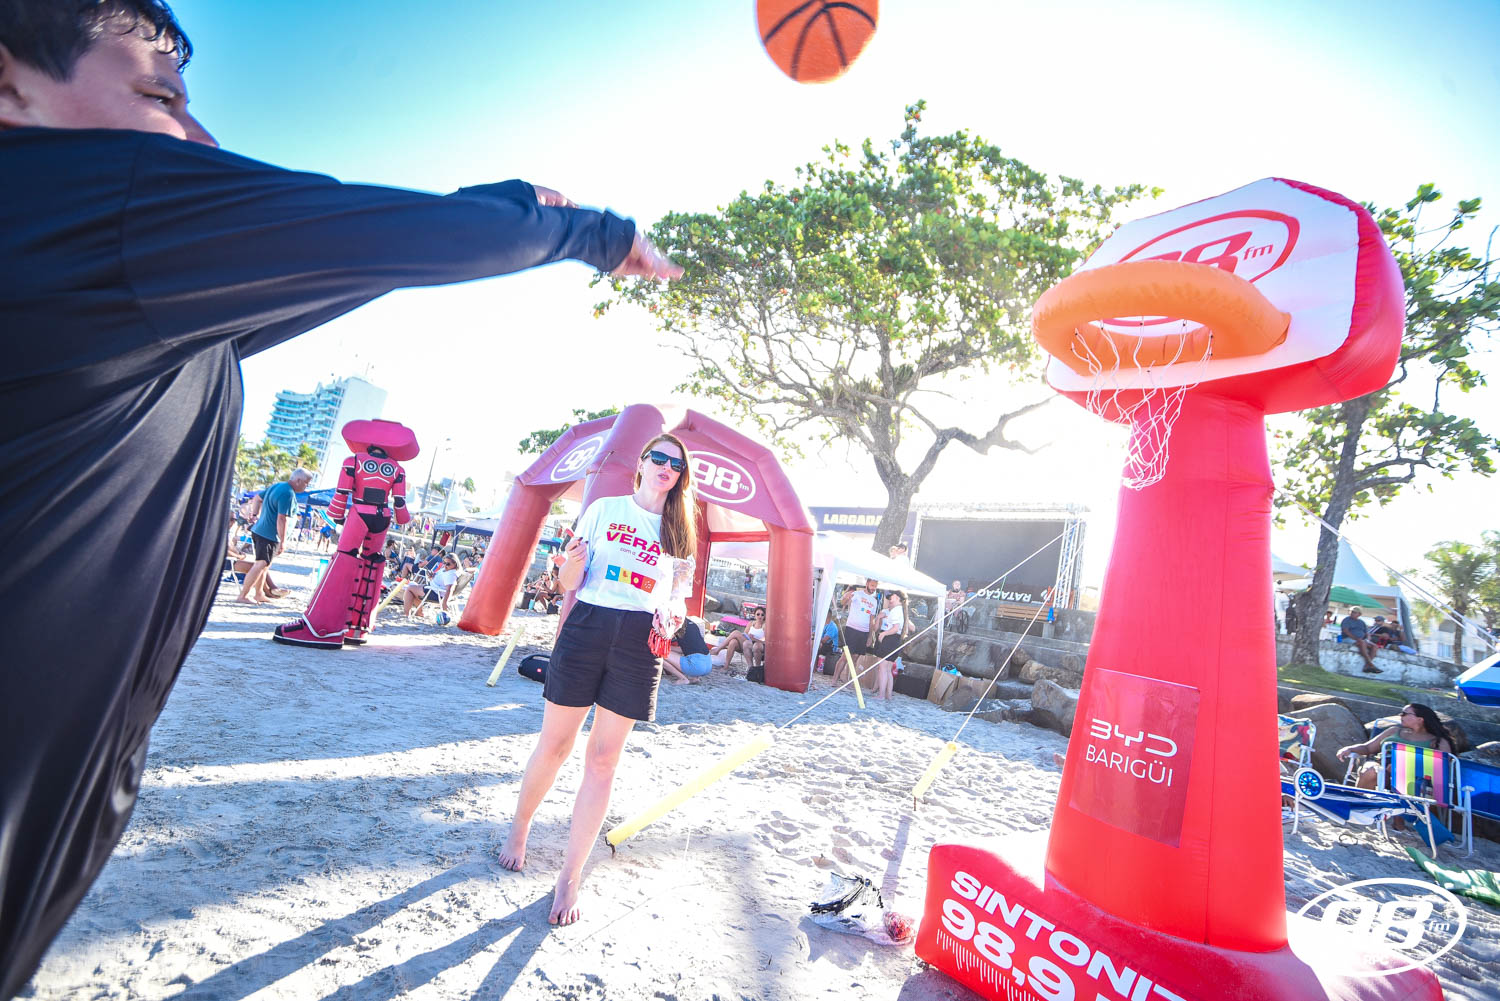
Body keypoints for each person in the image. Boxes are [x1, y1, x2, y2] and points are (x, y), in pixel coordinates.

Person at [0, 2, 683, 988]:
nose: (199, 135)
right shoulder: (76, 198)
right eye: (158, 95)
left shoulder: (107, 286)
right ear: (12, 85)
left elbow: (339, 261)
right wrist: (588, 233)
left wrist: (498, 201)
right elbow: (359, 229)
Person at [497, 434, 697, 925]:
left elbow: (679, 599)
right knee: (555, 746)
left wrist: (671, 617)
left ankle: (570, 876)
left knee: (604, 760)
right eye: (659, 458)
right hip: (588, 624)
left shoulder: (680, 532)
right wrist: (570, 566)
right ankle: (519, 828)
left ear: (680, 476)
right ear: (642, 463)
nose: (666, 467)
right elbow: (569, 583)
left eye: (675, 464)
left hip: (640, 640)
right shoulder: (605, 510)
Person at [1336, 703, 1456, 789]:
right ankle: (1357, 803)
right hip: (1381, 767)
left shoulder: (1438, 741)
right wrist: (1350, 749)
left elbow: (1442, 768)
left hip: (1413, 777)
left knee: (1398, 774)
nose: (1400, 716)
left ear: (1420, 719)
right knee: (1371, 771)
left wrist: (1402, 766)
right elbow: (1367, 748)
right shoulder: (1393, 731)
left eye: (1404, 713)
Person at [236, 468, 311, 604]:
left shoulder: (278, 486)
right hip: (269, 534)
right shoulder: (287, 493)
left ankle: (259, 594)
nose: (307, 486)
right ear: (298, 480)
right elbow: (282, 519)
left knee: (265, 565)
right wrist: (283, 541)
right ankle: (243, 595)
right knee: (261, 564)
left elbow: (257, 498)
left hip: (261, 531)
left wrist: (254, 515)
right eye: (306, 483)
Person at [839, 578, 881, 687]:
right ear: (867, 584)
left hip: (864, 632)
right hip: (852, 628)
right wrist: (846, 597)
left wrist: (870, 636)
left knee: (855, 657)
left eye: (875, 586)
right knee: (845, 655)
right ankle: (835, 679)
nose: (873, 588)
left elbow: (871, 620)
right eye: (872, 585)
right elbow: (843, 603)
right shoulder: (857, 594)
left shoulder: (874, 601)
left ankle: (847, 680)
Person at [872, 590, 909, 701]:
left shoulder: (896, 610)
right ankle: (888, 695)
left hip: (890, 639)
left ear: (897, 597)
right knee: (888, 669)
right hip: (896, 640)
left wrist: (883, 633)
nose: (889, 600)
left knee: (883, 669)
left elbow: (895, 628)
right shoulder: (901, 610)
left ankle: (881, 695)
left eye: (891, 597)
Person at [402, 552, 460, 619]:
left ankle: (407, 614)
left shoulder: (451, 574)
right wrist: (433, 575)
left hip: (436, 593)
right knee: (412, 586)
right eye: (444, 563)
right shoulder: (447, 570)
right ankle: (418, 613)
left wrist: (445, 603)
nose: (445, 565)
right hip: (433, 589)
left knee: (409, 589)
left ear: (455, 563)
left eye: (448, 564)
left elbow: (450, 589)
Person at [663, 617, 713, 685]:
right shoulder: (692, 624)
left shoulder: (676, 625)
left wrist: (664, 647)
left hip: (696, 666)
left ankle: (683, 679)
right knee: (692, 654)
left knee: (658, 653)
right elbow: (686, 649)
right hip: (708, 664)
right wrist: (669, 648)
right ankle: (695, 677)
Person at [1340, 606, 1380, 673]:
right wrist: (1356, 638)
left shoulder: (1361, 622)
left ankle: (1367, 666)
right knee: (1362, 642)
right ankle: (1371, 664)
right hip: (1348, 638)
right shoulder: (1346, 620)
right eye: (1351, 612)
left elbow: (1367, 633)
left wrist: (1368, 638)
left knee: (1374, 646)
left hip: (1360, 640)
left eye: (1354, 612)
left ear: (1359, 614)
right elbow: (1345, 631)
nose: (1352, 613)